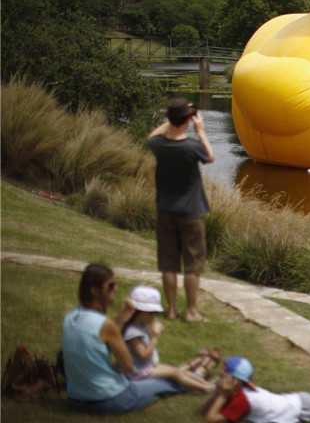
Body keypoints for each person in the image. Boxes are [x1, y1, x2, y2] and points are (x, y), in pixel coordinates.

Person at [61, 264, 183, 414]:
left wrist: (120, 320)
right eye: (111, 286)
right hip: (107, 399)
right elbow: (128, 366)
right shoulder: (106, 325)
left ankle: (190, 372)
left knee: (163, 381)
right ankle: (199, 377)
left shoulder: (71, 317)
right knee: (164, 383)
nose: (116, 289)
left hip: (76, 398)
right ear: (94, 291)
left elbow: (97, 344)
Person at [147, 97, 215, 322]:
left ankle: (171, 310)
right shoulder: (192, 146)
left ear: (170, 118)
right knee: (192, 264)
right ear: (188, 120)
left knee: (168, 263)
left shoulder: (159, 145)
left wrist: (171, 121)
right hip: (192, 212)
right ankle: (191, 311)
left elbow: (151, 137)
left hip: (165, 210)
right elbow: (210, 157)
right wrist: (200, 131)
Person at [121, 285, 216, 393]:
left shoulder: (141, 325)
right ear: (142, 312)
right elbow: (143, 356)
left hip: (146, 366)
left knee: (177, 370)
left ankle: (207, 384)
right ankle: (206, 388)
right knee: (176, 374)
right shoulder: (133, 332)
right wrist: (155, 337)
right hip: (138, 372)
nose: (154, 316)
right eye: (152, 313)